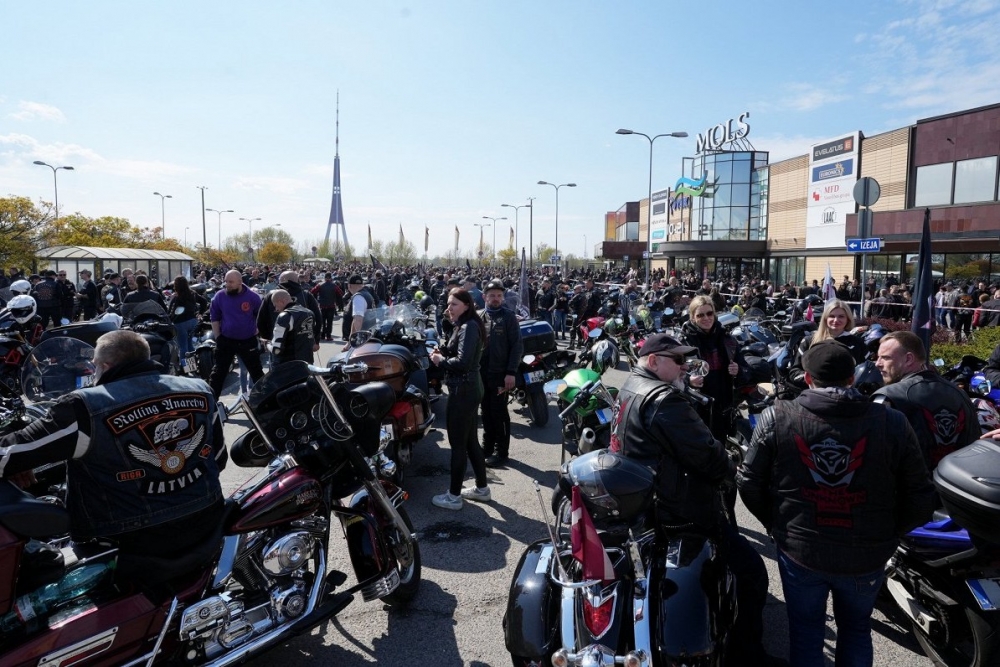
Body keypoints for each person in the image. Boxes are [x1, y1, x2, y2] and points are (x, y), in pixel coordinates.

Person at [738, 340, 935, 667]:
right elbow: (920, 494)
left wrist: (776, 526)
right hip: (863, 553)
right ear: (852, 379)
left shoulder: (777, 417)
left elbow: (748, 483)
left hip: (802, 550)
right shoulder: (892, 421)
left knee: (806, 631)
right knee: (856, 629)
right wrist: (889, 534)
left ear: (807, 378)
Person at [0, 330, 228, 585]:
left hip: (128, 540)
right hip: (206, 521)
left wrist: (17, 462)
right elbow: (218, 458)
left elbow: (9, 453)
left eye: (94, 366)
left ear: (105, 366)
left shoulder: (84, 406)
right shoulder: (200, 389)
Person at [609, 333, 772, 666]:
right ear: (653, 361)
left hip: (647, 502)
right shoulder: (663, 399)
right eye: (678, 360)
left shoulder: (630, 385)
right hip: (678, 508)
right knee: (752, 572)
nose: (685, 367)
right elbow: (707, 455)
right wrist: (733, 470)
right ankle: (747, 657)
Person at [874, 331, 978, 468]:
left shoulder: (888, 396)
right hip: (956, 477)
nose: (877, 363)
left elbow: (873, 453)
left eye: (885, 358)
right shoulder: (960, 394)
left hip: (911, 480)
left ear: (908, 359)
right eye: (878, 357)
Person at [429, 289, 491, 510]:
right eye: (448, 304)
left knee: (458, 445)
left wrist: (440, 360)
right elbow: (458, 353)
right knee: (470, 441)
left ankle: (454, 496)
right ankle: (482, 488)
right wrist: (442, 351)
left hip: (463, 390)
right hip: (468, 389)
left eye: (454, 304)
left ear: (466, 305)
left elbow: (463, 362)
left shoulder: (469, 326)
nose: (449, 308)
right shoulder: (464, 325)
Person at [680, 295, 748, 441]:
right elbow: (670, 375)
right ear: (693, 317)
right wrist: (688, 380)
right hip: (695, 408)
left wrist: (738, 370)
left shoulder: (727, 339)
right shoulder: (684, 342)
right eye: (700, 315)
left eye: (709, 313)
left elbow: (745, 370)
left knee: (719, 446)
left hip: (722, 406)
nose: (706, 318)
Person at [479, 279, 523, 468]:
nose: (496, 298)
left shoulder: (509, 317)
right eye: (492, 295)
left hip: (501, 374)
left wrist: (511, 372)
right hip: (482, 374)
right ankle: (487, 447)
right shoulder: (479, 317)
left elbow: (517, 347)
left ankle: (501, 452)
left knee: (499, 413)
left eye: (499, 295)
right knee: (485, 411)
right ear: (485, 297)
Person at [208, 269, 264, 399]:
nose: (227, 284)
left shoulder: (252, 297)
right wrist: (218, 337)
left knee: (257, 373)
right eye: (226, 281)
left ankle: (264, 402)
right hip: (226, 340)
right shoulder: (220, 296)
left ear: (240, 282)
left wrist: (257, 330)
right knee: (217, 374)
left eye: (231, 282)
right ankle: (210, 402)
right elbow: (214, 317)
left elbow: (261, 316)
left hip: (248, 341)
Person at [786, 299, 867, 391]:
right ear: (825, 318)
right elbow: (794, 372)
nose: (836, 320)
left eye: (841, 316)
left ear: (848, 319)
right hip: (813, 395)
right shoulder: (809, 341)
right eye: (831, 316)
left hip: (847, 396)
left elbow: (864, 371)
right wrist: (817, 382)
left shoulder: (857, 343)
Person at [168, 275, 209, 375]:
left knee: (183, 346)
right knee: (190, 344)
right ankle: (192, 367)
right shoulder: (192, 294)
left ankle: (186, 369)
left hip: (180, 323)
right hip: (192, 321)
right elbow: (204, 301)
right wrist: (200, 313)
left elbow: (170, 312)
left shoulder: (176, 297)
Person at [268, 289, 316, 365]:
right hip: (308, 362)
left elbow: (276, 349)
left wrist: (267, 344)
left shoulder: (284, 316)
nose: (276, 309)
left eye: (275, 305)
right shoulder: (309, 312)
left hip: (289, 364)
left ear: (281, 301)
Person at [342, 274, 377, 345]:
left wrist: (358, 339)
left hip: (364, 338)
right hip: (369, 334)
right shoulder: (366, 294)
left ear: (349, 286)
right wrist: (350, 341)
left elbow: (358, 319)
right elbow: (355, 320)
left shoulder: (358, 297)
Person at [311, 272, 341, 341]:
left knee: (322, 321)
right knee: (329, 322)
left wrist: (317, 298)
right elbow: (340, 293)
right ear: (331, 278)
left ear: (325, 278)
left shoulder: (320, 285)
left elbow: (312, 291)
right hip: (331, 305)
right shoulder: (334, 286)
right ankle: (328, 336)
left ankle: (322, 335)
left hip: (322, 305)